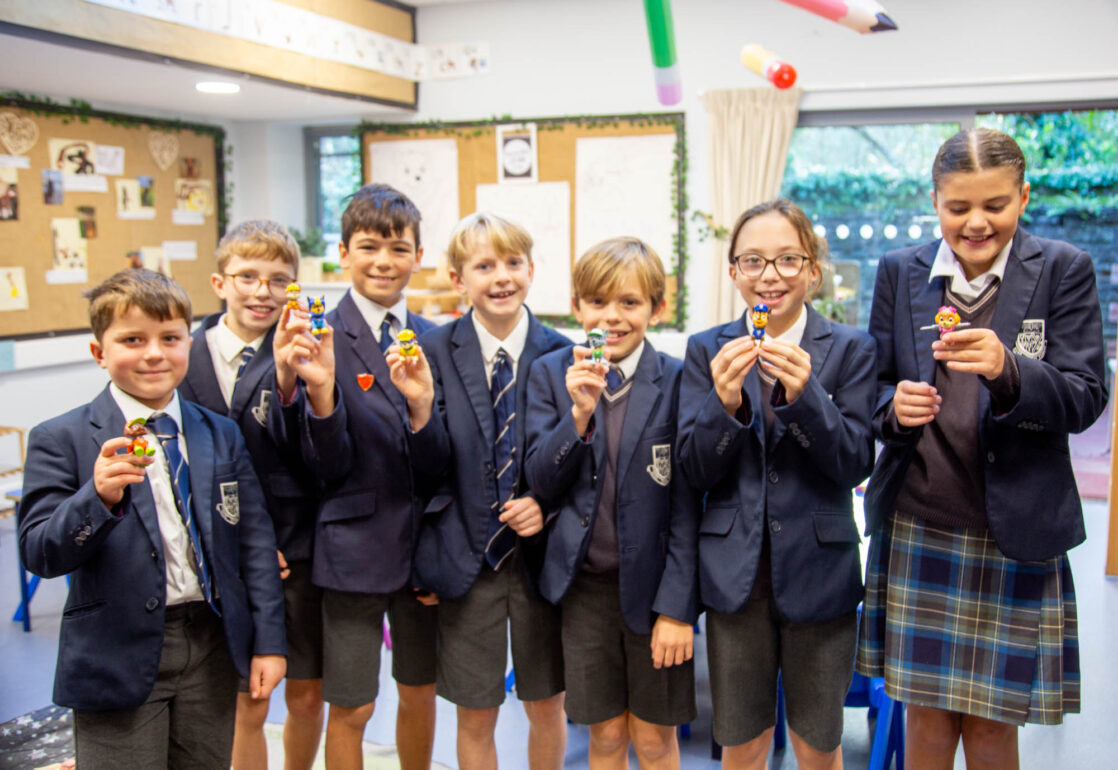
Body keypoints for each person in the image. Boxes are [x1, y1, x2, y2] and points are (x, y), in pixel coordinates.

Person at [858, 128, 1106, 769]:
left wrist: (1009, 369)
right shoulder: (900, 272)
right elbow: (872, 388)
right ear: (934, 202)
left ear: (1023, 197)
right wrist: (893, 409)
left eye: (995, 205)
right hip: (919, 523)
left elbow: (1086, 397)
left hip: (1015, 529)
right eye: (957, 207)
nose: (976, 223)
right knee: (925, 720)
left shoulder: (1063, 269)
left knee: (994, 729)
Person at [18, 268, 286, 768]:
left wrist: (270, 643)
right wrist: (96, 497)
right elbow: (40, 553)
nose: (154, 354)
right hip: (116, 653)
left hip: (211, 645)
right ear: (99, 352)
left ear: (189, 343)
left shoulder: (219, 433)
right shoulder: (62, 438)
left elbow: (253, 543)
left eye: (169, 338)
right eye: (132, 340)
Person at [678, 199, 876, 770]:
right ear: (733, 271)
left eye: (788, 259)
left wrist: (808, 398)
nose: (770, 275)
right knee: (742, 743)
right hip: (735, 578)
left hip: (820, 573)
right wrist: (723, 405)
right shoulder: (706, 349)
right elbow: (694, 470)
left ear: (813, 269)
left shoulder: (852, 349)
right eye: (753, 261)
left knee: (818, 742)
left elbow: (855, 463)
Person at [271, 183, 438, 770]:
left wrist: (422, 410)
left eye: (399, 248)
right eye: (368, 247)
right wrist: (320, 395)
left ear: (418, 256)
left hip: (424, 553)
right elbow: (317, 463)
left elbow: (444, 458)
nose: (383, 261)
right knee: (352, 705)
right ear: (343, 254)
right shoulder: (319, 335)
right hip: (351, 551)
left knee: (421, 692)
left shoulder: (436, 340)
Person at [400, 211, 570, 769]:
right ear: (458, 279)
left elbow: (581, 460)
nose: (501, 277)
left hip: (540, 561)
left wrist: (544, 505)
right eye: (484, 266)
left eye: (513, 263)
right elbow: (425, 470)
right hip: (466, 559)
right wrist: (420, 409)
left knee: (547, 704)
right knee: (475, 713)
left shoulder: (562, 353)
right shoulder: (432, 351)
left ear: (531, 270)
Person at [525, 237, 699, 769]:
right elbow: (541, 479)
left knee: (654, 738)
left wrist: (677, 607)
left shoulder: (679, 379)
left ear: (657, 308)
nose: (612, 317)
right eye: (598, 302)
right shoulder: (550, 374)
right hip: (585, 591)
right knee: (603, 736)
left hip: (655, 592)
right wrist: (577, 417)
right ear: (576, 307)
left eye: (630, 302)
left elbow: (690, 503)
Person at [178, 220, 324, 770]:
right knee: (247, 699)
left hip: (297, 549)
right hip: (218, 551)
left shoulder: (306, 352)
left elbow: (317, 456)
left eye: (279, 280)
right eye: (247, 277)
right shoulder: (183, 355)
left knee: (306, 694)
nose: (263, 291)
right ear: (220, 282)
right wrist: (246, 546)